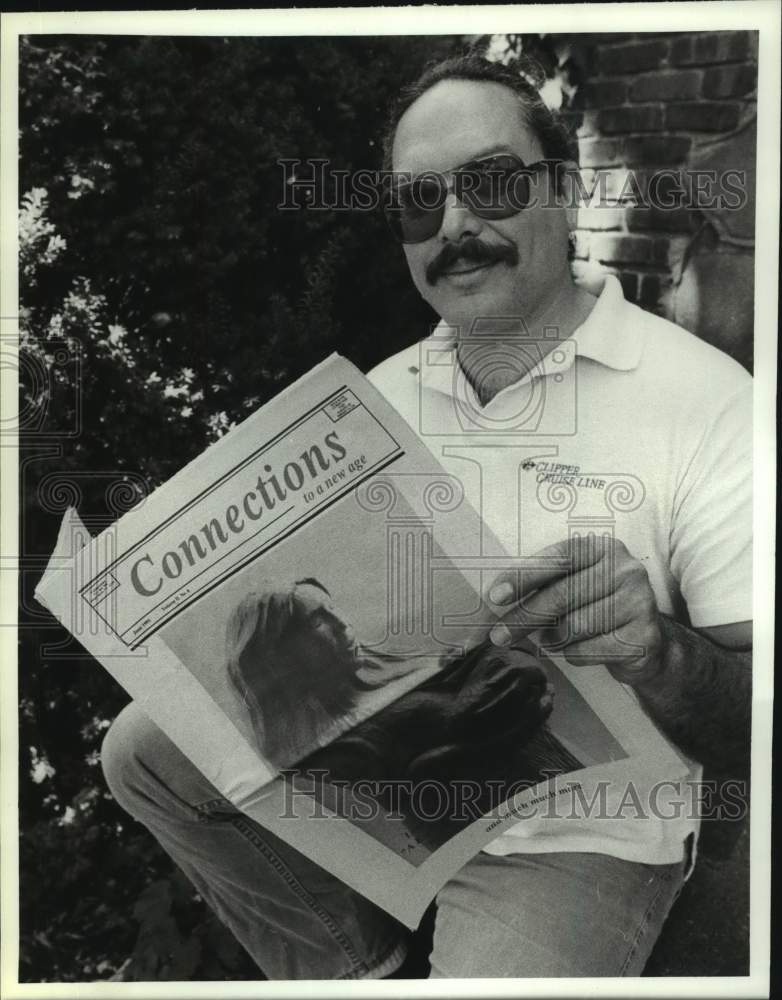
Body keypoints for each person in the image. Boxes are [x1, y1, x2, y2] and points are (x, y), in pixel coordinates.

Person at [102, 54, 752, 979]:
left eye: (489, 184)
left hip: (573, 834)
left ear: (564, 193)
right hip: (385, 779)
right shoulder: (375, 398)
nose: (455, 226)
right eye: (419, 203)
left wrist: (656, 650)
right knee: (142, 751)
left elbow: (758, 726)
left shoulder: (711, 404)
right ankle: (365, 969)